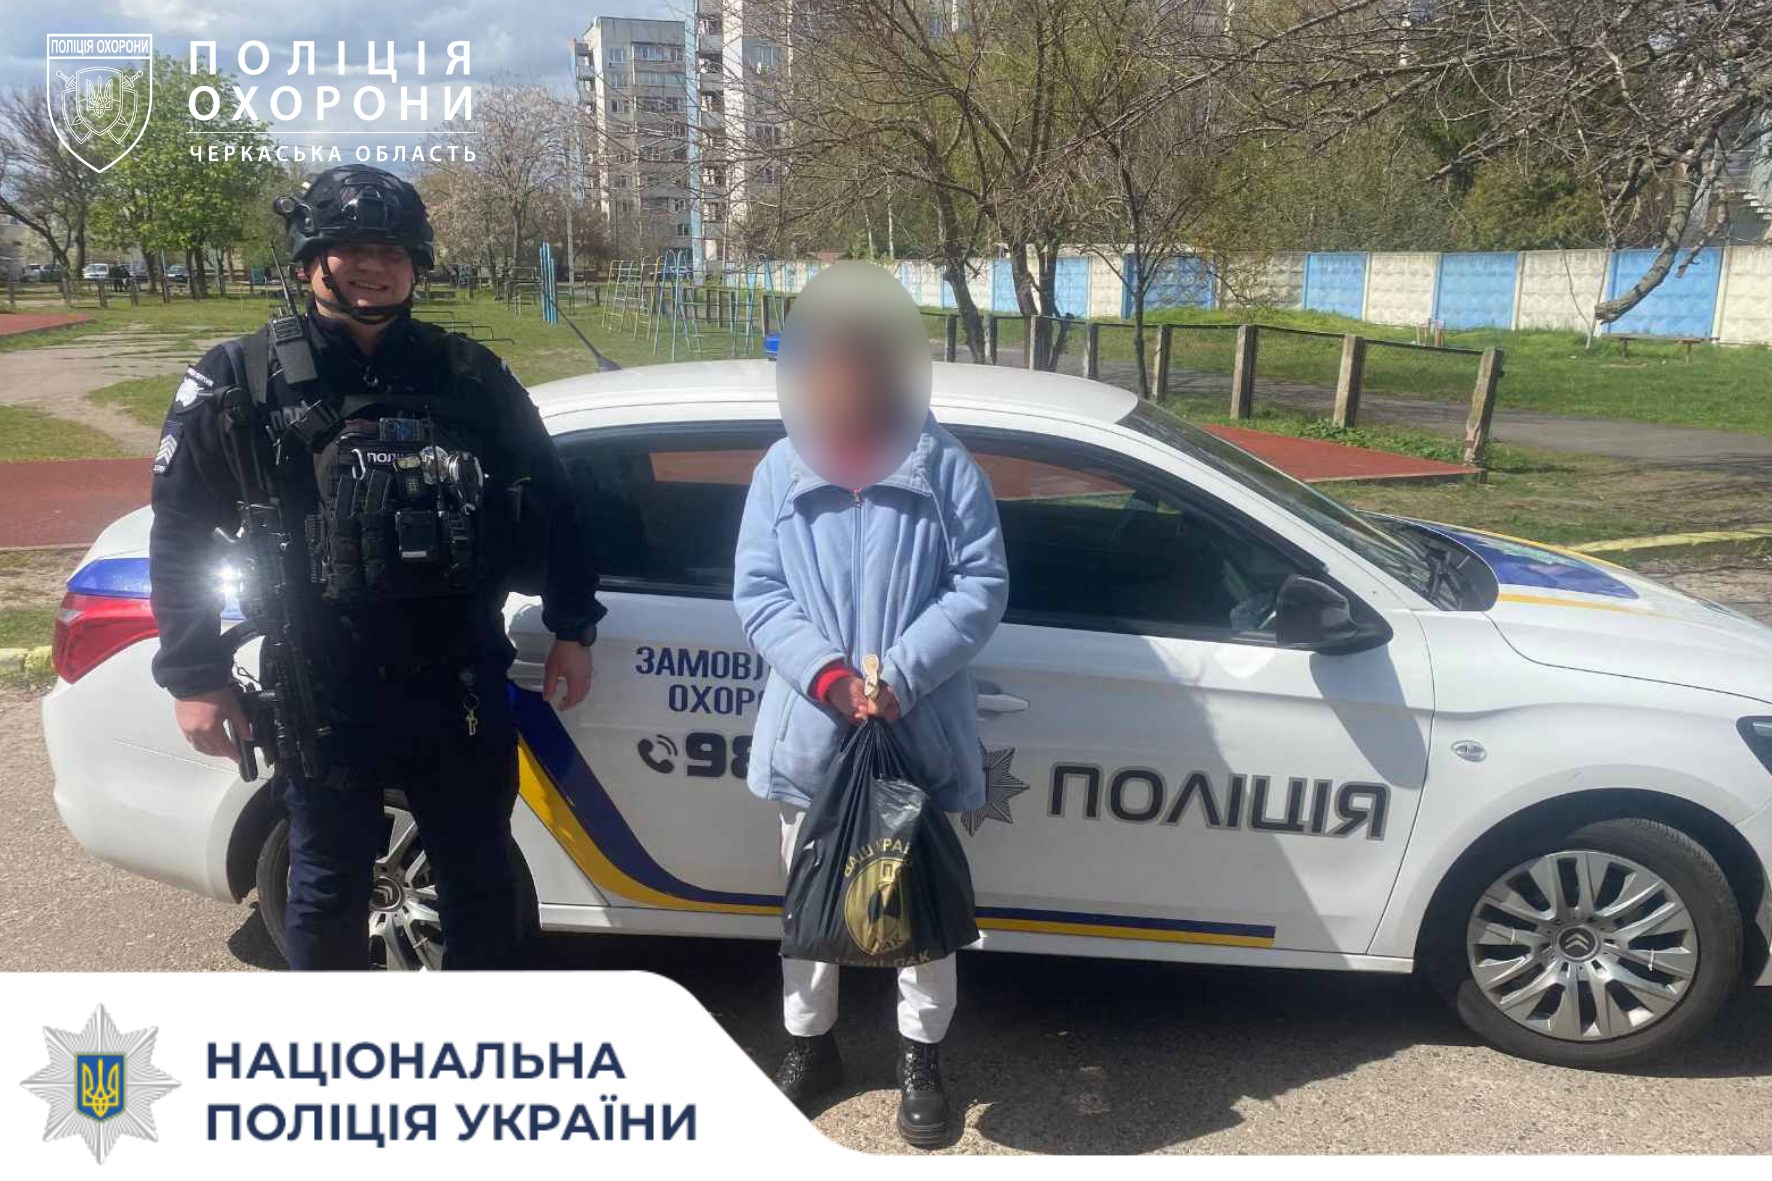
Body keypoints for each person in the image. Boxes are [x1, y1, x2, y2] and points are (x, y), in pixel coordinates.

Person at [148, 165, 603, 970]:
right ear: (306, 261)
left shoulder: (467, 373)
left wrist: (573, 623)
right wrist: (194, 672)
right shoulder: (239, 378)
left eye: (394, 251)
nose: (375, 266)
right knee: (327, 887)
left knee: (482, 878)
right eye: (351, 248)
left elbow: (553, 499)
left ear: (417, 265)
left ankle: (479, 1055)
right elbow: (181, 530)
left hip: (457, 678)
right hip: (323, 685)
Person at [732, 262, 1009, 1146]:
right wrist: (829, 676)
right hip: (812, 738)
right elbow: (758, 591)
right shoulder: (779, 469)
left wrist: (902, 674)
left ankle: (920, 1059)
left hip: (915, 732)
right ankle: (811, 1046)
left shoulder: (944, 467)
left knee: (917, 907)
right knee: (811, 905)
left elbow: (981, 587)